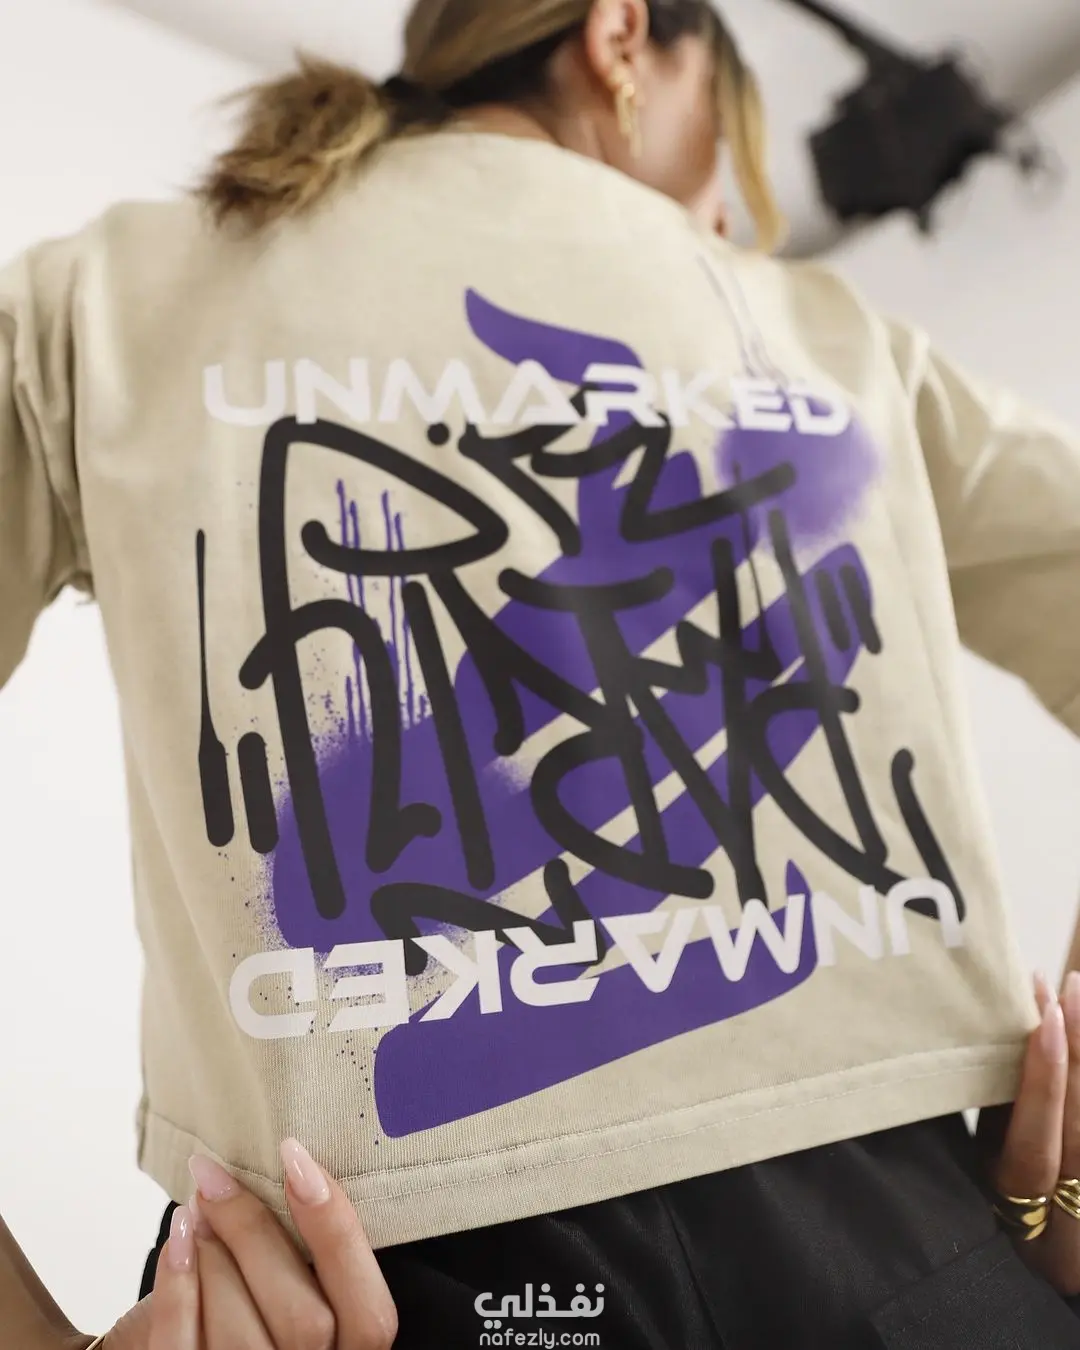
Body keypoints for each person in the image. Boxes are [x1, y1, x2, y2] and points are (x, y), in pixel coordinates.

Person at [6, 0, 1080, 1345]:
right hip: (902, 1248)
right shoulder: (830, 339)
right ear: (622, 40)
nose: (727, 225)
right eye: (728, 155)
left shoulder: (111, 300)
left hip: (365, 1287)